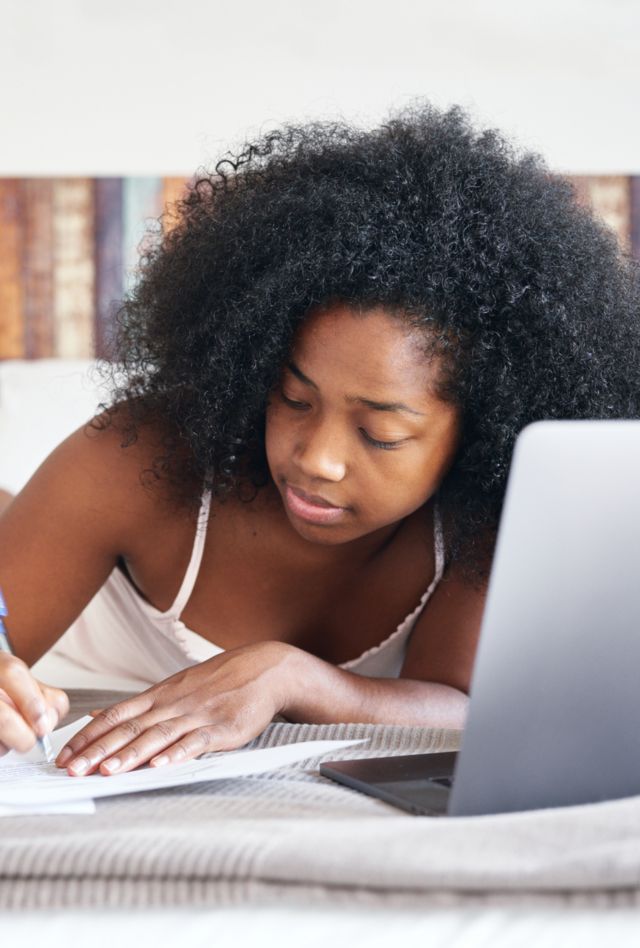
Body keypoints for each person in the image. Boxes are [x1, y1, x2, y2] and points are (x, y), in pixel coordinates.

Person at [0, 103, 638, 776]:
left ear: (478, 429)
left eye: (382, 433)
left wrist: (289, 677)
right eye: (294, 398)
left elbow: (467, 705)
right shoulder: (133, 459)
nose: (316, 459)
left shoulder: (491, 513)